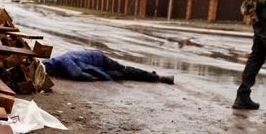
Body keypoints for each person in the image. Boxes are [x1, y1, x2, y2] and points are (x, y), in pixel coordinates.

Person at [41, 50, 174, 84]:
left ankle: (158, 77)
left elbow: (76, 74)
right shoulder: (59, 61)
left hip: (101, 60)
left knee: (125, 71)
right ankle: (150, 76)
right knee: (122, 75)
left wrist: (93, 78)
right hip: (98, 66)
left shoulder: (64, 60)